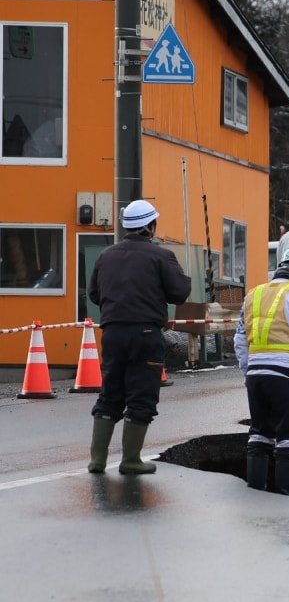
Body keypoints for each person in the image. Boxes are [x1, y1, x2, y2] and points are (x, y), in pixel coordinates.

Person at [86, 199, 192, 475]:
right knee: (142, 395)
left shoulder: (105, 256)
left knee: (110, 393)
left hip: (112, 333)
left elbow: (94, 294)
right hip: (145, 334)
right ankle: (130, 460)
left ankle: (97, 461)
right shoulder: (160, 256)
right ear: (150, 226)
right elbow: (179, 292)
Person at [233, 246, 289, 496]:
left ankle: (256, 491)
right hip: (284, 374)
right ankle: (285, 498)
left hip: (256, 375)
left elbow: (239, 340)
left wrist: (247, 371)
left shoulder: (254, 294)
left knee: (260, 433)